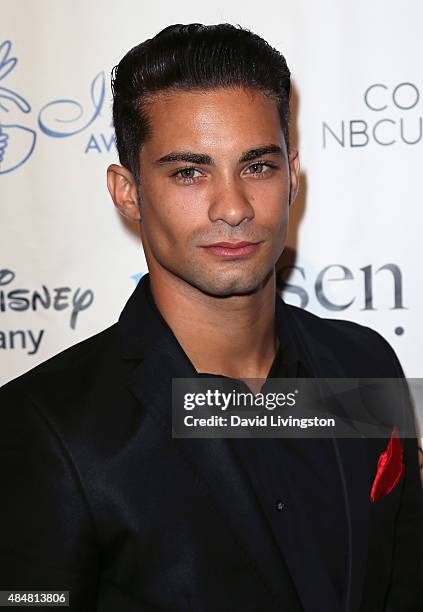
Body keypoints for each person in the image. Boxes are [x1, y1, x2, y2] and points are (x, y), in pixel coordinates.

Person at [0, 23, 422, 612]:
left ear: (292, 174)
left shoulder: (363, 361)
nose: (233, 208)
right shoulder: (48, 427)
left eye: (257, 167)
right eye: (189, 172)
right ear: (126, 191)